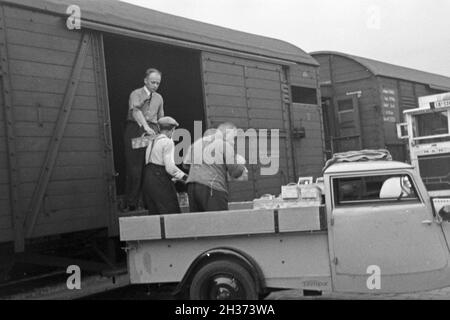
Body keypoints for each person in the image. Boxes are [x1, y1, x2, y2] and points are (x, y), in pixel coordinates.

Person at [123, 68, 164, 211]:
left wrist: (164, 134)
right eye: (153, 82)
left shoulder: (159, 98)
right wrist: (145, 127)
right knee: (135, 167)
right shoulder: (136, 94)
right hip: (136, 129)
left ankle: (149, 202)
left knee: (151, 166)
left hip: (153, 130)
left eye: (158, 83)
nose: (155, 85)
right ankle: (131, 203)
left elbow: (161, 118)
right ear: (145, 80)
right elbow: (135, 111)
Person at [183, 122, 247, 212]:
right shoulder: (225, 145)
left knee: (198, 222)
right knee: (219, 222)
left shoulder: (197, 143)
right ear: (227, 133)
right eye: (233, 137)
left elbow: (186, 165)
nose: (233, 141)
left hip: (192, 188)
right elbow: (235, 173)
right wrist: (241, 163)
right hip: (213, 188)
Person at [142, 116, 188, 214]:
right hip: (160, 178)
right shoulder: (168, 142)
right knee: (171, 211)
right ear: (170, 130)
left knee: (155, 213)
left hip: (147, 178)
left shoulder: (151, 140)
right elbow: (170, 168)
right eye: (173, 130)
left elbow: (136, 143)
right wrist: (185, 178)